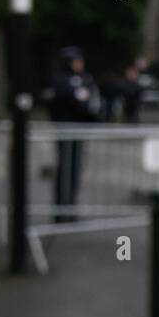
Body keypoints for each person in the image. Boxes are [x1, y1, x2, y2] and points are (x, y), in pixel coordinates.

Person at [45, 47, 100, 217]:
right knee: (65, 168)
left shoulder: (84, 78)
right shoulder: (60, 79)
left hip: (78, 129)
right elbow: (66, 99)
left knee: (75, 168)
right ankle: (61, 208)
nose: (79, 64)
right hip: (65, 129)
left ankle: (71, 206)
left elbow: (89, 99)